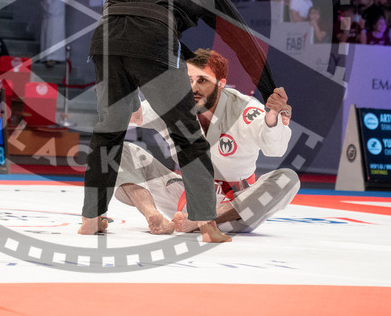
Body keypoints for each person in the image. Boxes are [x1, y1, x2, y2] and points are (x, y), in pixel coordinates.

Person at [81, 0, 275, 242]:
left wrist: (127, 103)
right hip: (154, 39)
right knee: (188, 134)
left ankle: (91, 218)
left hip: (103, 42)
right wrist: (269, 88)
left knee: (108, 131)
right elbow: (240, 38)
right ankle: (207, 225)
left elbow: (120, 22)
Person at [115, 49, 297, 234]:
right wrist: (129, 85)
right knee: (120, 151)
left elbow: (275, 149)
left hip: (235, 208)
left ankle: (203, 220)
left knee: (287, 179)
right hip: (186, 199)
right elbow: (132, 117)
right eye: (189, 80)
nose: (193, 87)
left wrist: (272, 118)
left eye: (202, 80)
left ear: (221, 84)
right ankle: (154, 216)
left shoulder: (245, 108)